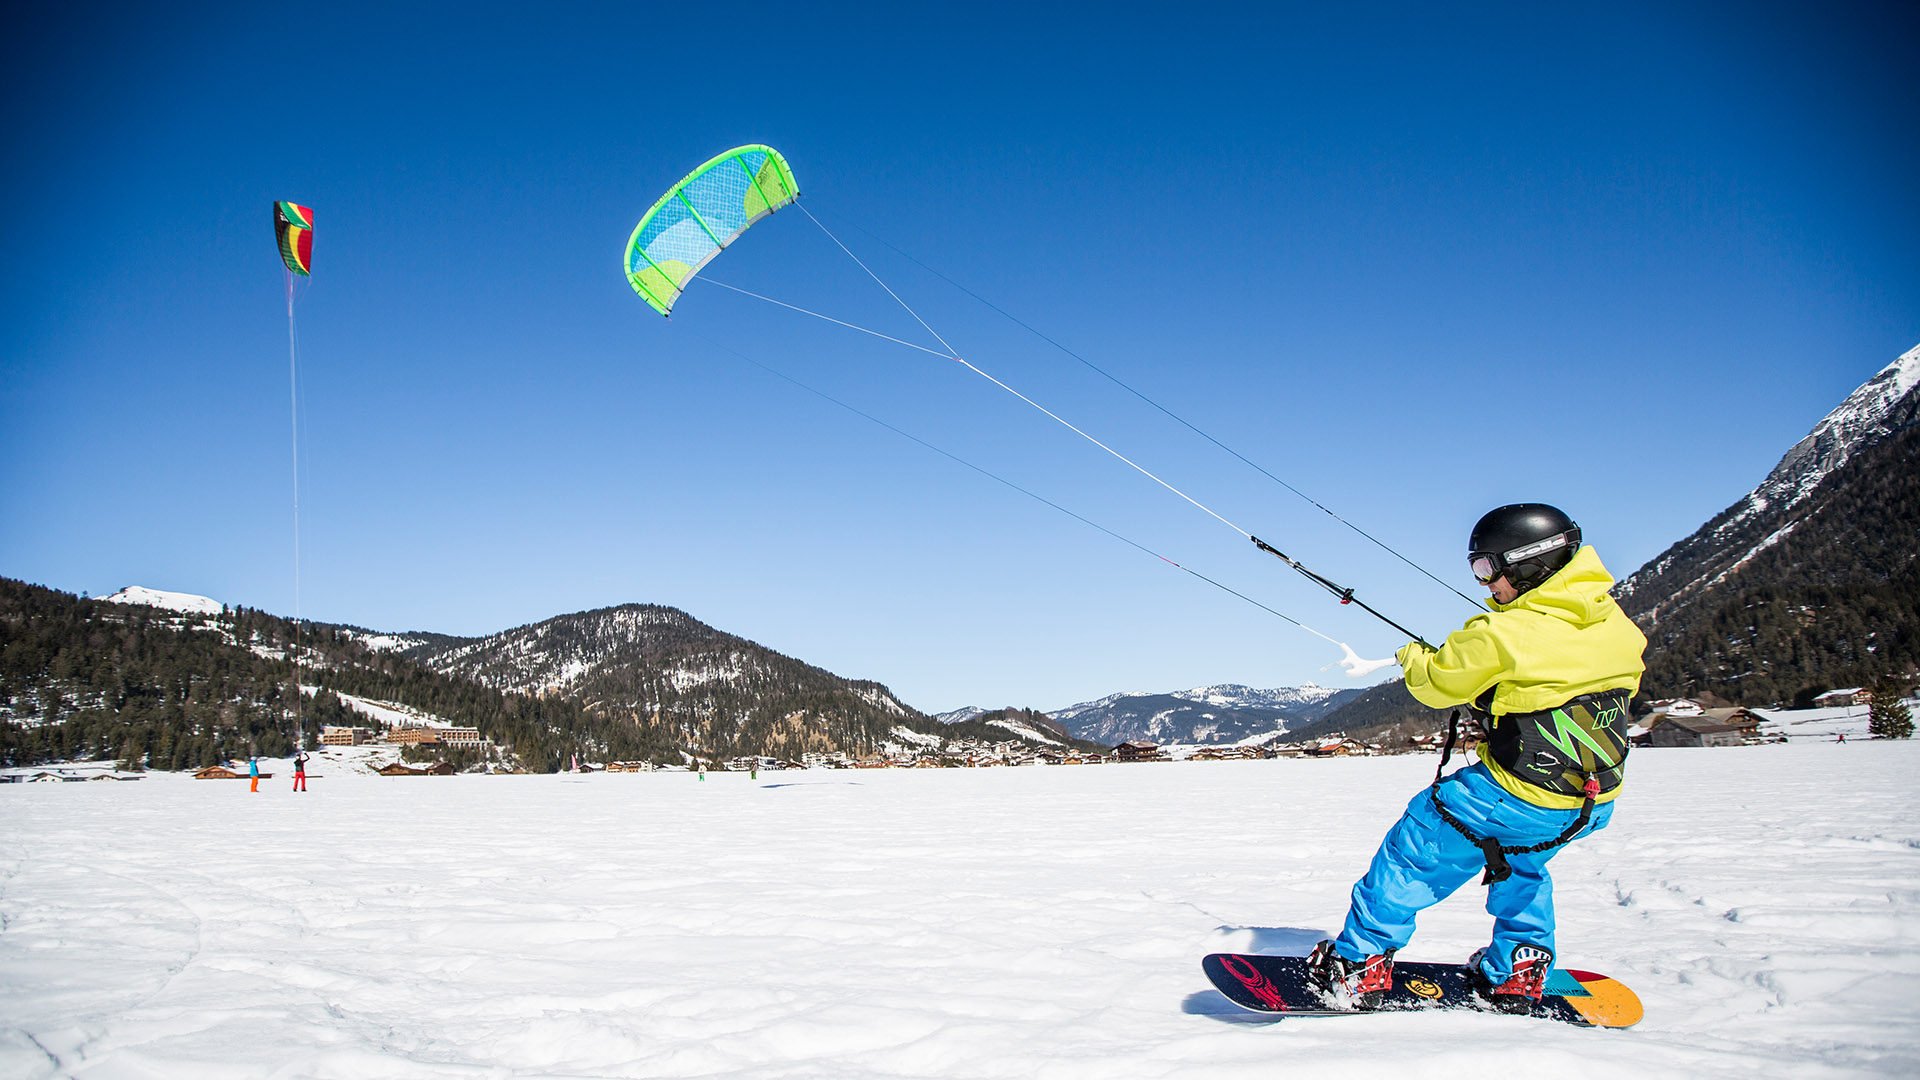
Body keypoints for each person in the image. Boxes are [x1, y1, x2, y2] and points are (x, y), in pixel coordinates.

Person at [1307, 503, 1647, 1012]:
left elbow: (1437, 684)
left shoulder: (1501, 633)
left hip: (1514, 794)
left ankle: (1358, 964)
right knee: (1523, 862)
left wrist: (1414, 657)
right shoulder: (1618, 626)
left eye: (1488, 569)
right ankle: (1521, 966)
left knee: (1417, 846)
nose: (1485, 585)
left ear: (1530, 564)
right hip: (1587, 803)